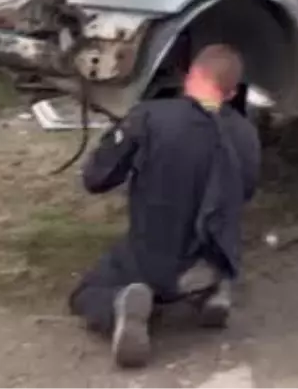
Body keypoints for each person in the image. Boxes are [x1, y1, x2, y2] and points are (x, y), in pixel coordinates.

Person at [68, 44, 262, 368]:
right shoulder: (247, 133)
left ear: (191, 76)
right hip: (211, 254)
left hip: (153, 257)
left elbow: (96, 179)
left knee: (87, 292)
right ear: (230, 94)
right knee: (207, 258)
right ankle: (209, 288)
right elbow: (246, 191)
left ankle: (121, 303)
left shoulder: (150, 116)